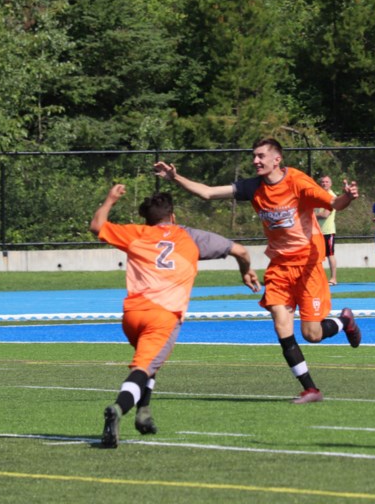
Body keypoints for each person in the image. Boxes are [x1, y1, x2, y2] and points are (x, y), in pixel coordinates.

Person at [154, 138, 361, 404]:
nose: (255, 161)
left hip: (308, 267)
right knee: (281, 325)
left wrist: (348, 197)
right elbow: (207, 192)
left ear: (277, 159)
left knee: (312, 335)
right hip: (279, 269)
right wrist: (175, 177)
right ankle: (311, 389)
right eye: (254, 156)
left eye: (261, 156)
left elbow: (334, 205)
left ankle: (345, 322)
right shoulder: (252, 187)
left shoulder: (298, 182)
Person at [90, 185, 260, 448]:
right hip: (164, 317)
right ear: (173, 215)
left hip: (132, 315)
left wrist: (111, 198)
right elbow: (241, 251)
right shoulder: (190, 236)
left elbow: (96, 225)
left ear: (147, 220)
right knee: (143, 368)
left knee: (150, 364)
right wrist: (245, 271)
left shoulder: (136, 233)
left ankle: (143, 414)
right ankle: (118, 408)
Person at [315, 175, 338, 285]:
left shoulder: (332, 197)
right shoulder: (319, 195)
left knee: (330, 254)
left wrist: (312, 215)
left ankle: (333, 278)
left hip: (328, 231)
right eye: (323, 182)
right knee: (316, 256)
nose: (324, 183)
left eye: (327, 182)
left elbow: (325, 214)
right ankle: (317, 278)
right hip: (317, 231)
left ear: (331, 184)